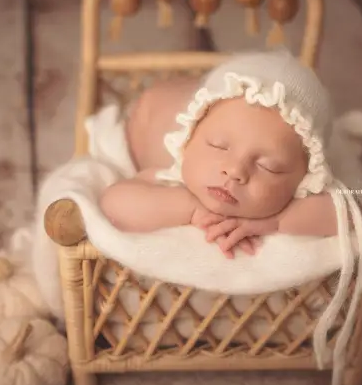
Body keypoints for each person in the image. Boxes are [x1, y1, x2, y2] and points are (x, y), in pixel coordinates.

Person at [99, 49, 341, 258]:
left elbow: (347, 213)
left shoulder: (301, 195)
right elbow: (113, 202)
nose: (234, 170)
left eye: (269, 166)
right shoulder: (173, 177)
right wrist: (190, 209)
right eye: (218, 146)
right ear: (189, 137)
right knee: (153, 106)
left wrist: (276, 222)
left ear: (305, 178)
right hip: (151, 120)